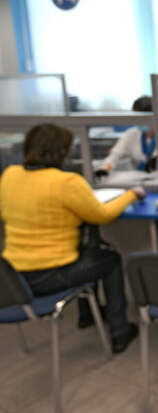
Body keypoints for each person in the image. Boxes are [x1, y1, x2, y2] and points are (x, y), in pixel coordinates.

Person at [0, 124, 146, 353]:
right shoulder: (66, 182)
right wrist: (131, 195)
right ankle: (120, 331)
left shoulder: (10, 175)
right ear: (61, 152)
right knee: (110, 260)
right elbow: (101, 215)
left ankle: (87, 316)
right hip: (51, 275)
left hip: (14, 276)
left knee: (89, 250)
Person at [96, 96, 157, 176]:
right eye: (135, 117)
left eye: (140, 118)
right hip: (139, 177)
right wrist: (104, 169)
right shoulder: (131, 134)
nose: (137, 121)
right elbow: (115, 154)